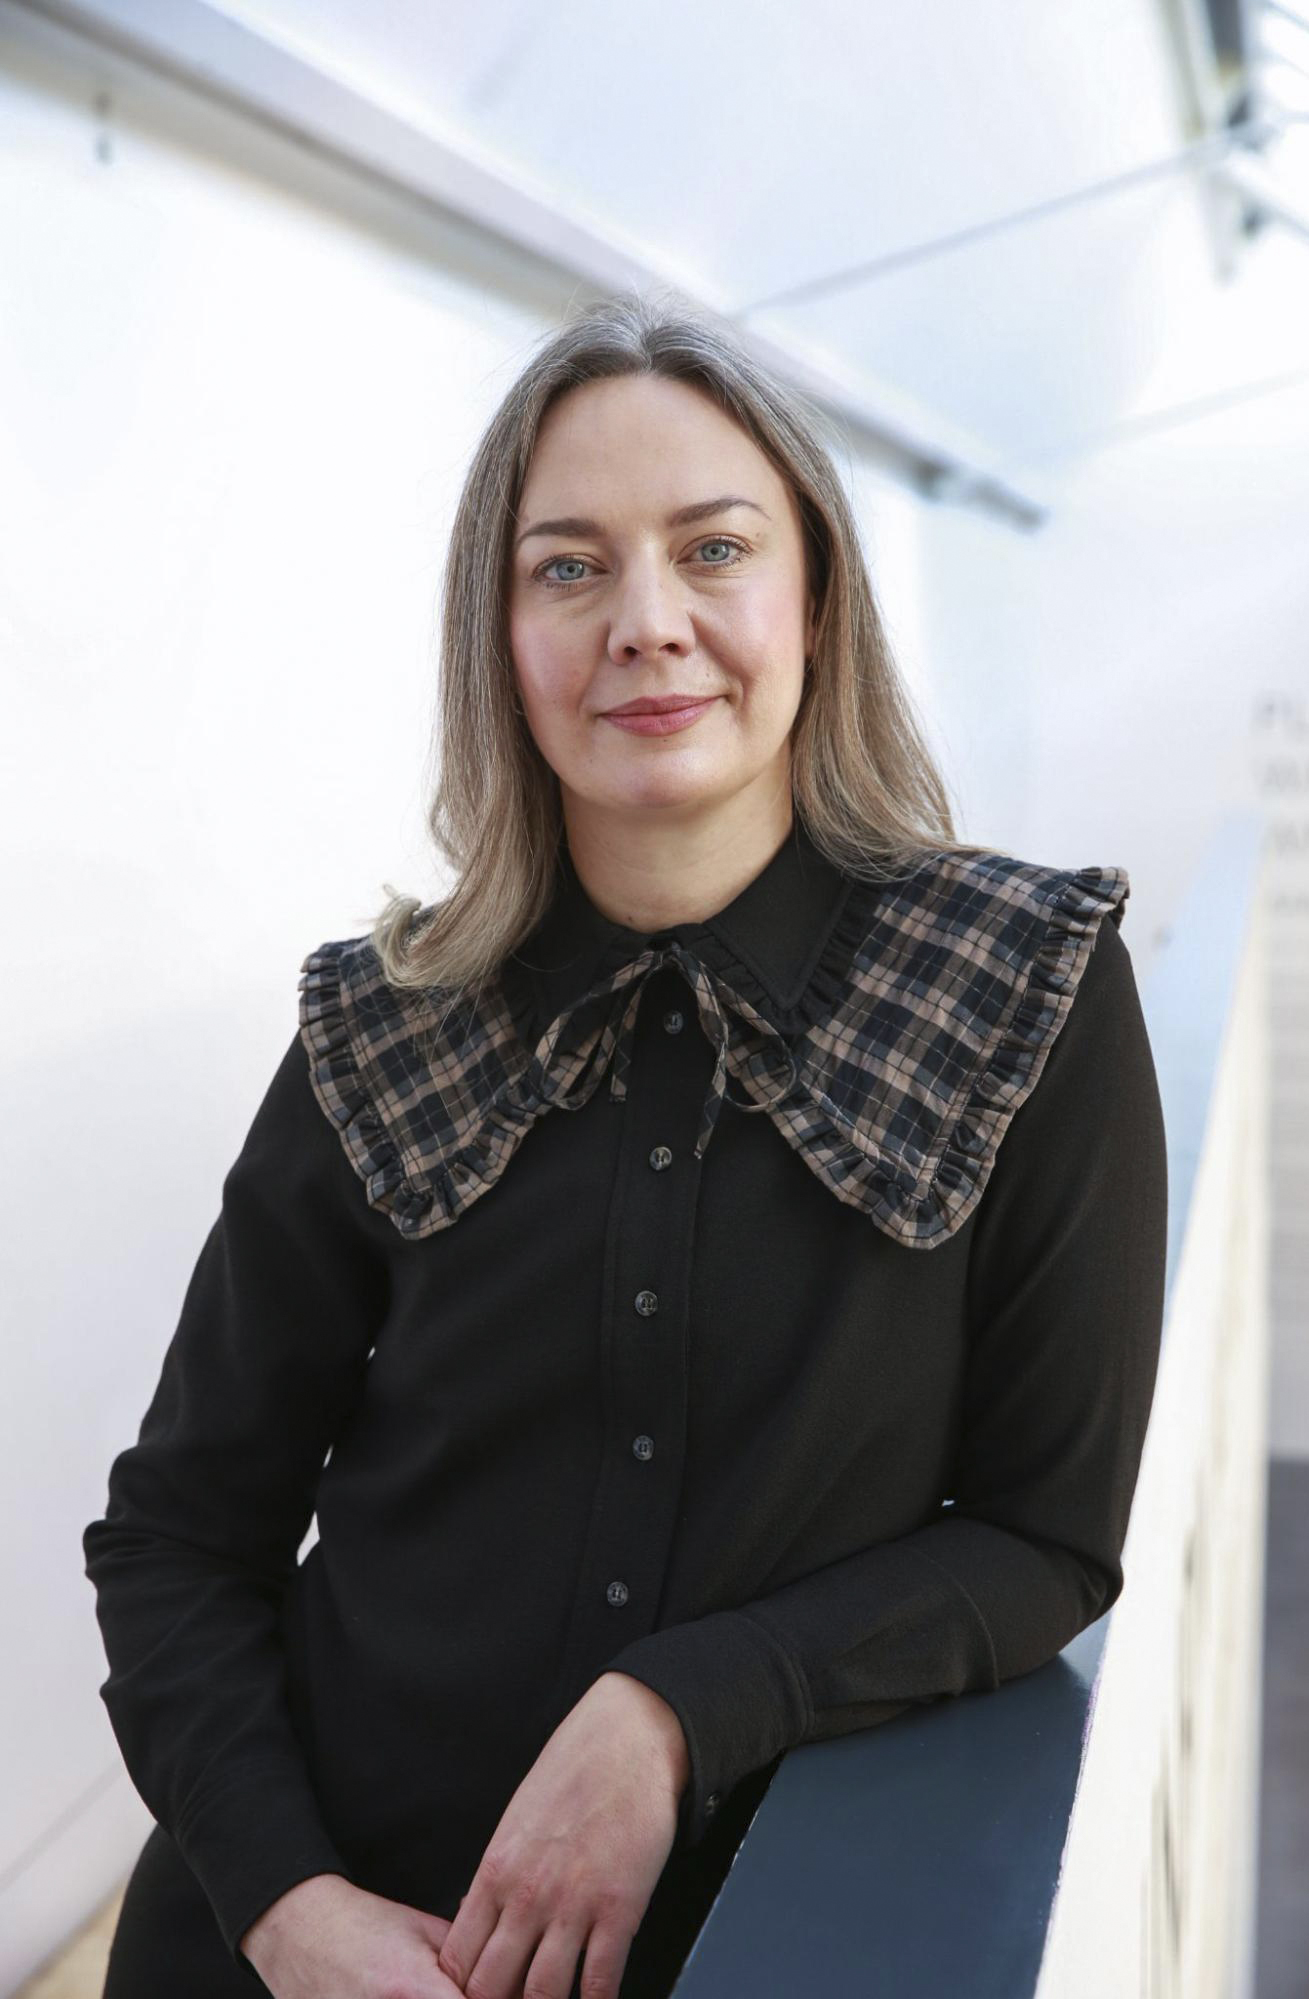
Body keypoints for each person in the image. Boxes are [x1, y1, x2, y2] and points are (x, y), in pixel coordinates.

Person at [84, 288, 1168, 1999]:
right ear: (497, 639)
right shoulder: (388, 1019)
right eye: (568, 567)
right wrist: (287, 1909)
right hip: (301, 1944)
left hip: (736, 1941)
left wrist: (673, 1705)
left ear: (814, 596)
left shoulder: (1019, 989)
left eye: (714, 549)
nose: (646, 624)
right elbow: (176, 1542)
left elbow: (1044, 1536)